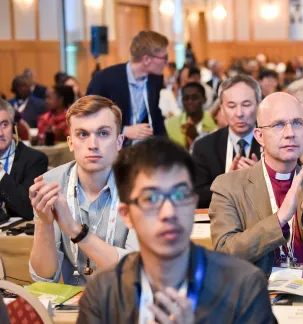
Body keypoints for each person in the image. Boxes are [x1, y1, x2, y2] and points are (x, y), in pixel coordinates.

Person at [77, 137, 276, 324]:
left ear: (193, 204)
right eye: (152, 199)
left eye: (180, 195)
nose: (169, 212)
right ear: (126, 214)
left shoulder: (243, 285)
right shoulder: (104, 292)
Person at [209, 92, 303, 287]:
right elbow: (224, 255)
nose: (290, 133)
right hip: (258, 293)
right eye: (278, 125)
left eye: (297, 123)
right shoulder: (229, 186)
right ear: (259, 136)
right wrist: (279, 220)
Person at [28, 95, 136, 286]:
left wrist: (76, 231)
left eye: (103, 133)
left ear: (119, 142)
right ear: (70, 143)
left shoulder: (140, 185)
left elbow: (137, 270)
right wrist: (44, 223)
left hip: (127, 302)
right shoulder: (52, 184)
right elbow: (43, 278)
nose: (92, 144)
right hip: (74, 306)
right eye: (83, 134)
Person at [192, 75, 262, 208]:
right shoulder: (204, 147)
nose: (239, 113)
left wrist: (262, 178)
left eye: (246, 105)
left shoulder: (273, 143)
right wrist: (227, 183)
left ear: (259, 105)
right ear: (222, 109)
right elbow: (197, 196)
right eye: (231, 106)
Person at [86, 30, 168, 144]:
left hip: (144, 149)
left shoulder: (155, 79)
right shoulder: (104, 80)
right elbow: (89, 117)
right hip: (111, 148)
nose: (166, 62)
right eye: (164, 57)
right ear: (147, 60)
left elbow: (155, 113)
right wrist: (123, 130)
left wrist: (167, 146)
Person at [0, 100, 48, 220]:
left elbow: (28, 210)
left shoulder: (35, 160)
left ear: (14, 127)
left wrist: (0, 173)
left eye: (5, 125)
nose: (0, 133)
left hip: (15, 235)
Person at [165, 82, 217, 150]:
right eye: (186, 98)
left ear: (204, 99)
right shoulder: (170, 124)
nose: (190, 102)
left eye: (195, 98)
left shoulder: (215, 120)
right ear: (181, 100)